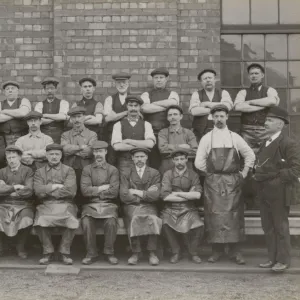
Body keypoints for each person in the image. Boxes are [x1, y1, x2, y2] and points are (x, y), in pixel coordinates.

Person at [195, 104, 255, 264]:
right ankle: (216, 251)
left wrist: (243, 173)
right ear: (212, 118)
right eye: (216, 116)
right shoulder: (207, 138)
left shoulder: (235, 137)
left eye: (222, 116)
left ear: (227, 117)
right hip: (213, 183)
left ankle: (236, 252)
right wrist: (212, 175)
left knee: (234, 216)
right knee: (214, 216)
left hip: (233, 183)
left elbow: (250, 155)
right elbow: (198, 162)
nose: (219, 119)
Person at [253, 106, 300, 273]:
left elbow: (296, 169)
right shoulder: (265, 142)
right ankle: (272, 258)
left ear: (280, 125)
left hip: (279, 192)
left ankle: (283, 260)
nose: (266, 123)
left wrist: (276, 179)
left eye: (270, 120)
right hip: (264, 191)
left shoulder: (288, 143)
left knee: (280, 227)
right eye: (266, 120)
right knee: (268, 226)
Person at [33, 143, 78, 265]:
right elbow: (38, 191)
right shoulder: (39, 172)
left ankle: (64, 253)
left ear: (61, 155)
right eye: (51, 154)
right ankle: (48, 252)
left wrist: (47, 190)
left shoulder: (69, 170)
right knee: (39, 219)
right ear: (46, 155)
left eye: (57, 154)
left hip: (66, 203)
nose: (54, 157)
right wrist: (55, 186)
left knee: (72, 219)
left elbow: (71, 191)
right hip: (46, 204)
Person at [161, 149, 204, 264]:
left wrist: (177, 193)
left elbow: (197, 195)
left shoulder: (193, 174)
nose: (179, 162)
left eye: (182, 159)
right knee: (165, 223)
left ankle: (193, 252)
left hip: (189, 208)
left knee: (199, 225)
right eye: (176, 159)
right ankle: (176, 252)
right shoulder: (168, 174)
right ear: (173, 161)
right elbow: (165, 197)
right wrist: (188, 194)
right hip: (171, 208)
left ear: (186, 159)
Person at [120, 148, 161, 266]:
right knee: (134, 219)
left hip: (149, 205)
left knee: (152, 219)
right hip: (131, 205)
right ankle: (136, 252)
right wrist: (145, 194)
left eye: (142, 156)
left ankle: (152, 252)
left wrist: (137, 192)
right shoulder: (126, 173)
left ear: (147, 157)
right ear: (132, 158)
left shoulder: (154, 173)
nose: (139, 159)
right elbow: (124, 195)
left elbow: (155, 195)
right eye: (137, 157)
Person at [80, 141, 119, 265]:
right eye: (96, 151)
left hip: (109, 204)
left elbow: (113, 192)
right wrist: (103, 188)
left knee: (111, 221)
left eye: (101, 151)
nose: (98, 154)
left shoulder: (113, 170)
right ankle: (91, 253)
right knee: (86, 221)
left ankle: (109, 252)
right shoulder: (87, 169)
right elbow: (85, 191)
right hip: (91, 204)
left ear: (106, 152)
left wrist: (95, 190)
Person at [234, 63, 280, 153]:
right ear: (248, 76)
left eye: (256, 73)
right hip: (246, 130)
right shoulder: (243, 92)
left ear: (262, 75)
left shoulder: (270, 90)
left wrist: (250, 102)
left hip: (265, 130)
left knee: (266, 155)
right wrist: (263, 106)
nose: (254, 76)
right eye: (251, 74)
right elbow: (238, 106)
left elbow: (272, 101)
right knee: (246, 155)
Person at [141, 67, 180, 169]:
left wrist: (153, 104)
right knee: (152, 160)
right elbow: (145, 108)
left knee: (169, 159)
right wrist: (165, 107)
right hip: (151, 133)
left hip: (168, 132)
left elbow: (173, 103)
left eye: (161, 77)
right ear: (153, 80)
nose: (158, 80)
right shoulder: (146, 94)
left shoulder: (172, 94)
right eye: (156, 77)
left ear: (166, 79)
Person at [0, 145, 34, 259]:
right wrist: (15, 188)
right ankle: (1, 247)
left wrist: (7, 188)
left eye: (14, 157)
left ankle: (21, 247)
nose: (11, 160)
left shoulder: (28, 171)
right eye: (9, 157)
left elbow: (29, 190)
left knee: (26, 218)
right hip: (5, 203)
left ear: (20, 157)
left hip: (23, 203)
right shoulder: (2, 172)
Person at [61, 107, 97, 206]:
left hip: (86, 168)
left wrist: (73, 150)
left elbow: (90, 152)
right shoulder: (65, 135)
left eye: (79, 116)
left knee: (85, 193)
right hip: (70, 167)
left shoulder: (92, 134)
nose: (77, 120)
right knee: (71, 192)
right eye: (74, 117)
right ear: (71, 120)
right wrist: (81, 147)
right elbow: (65, 150)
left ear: (84, 118)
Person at [111, 95, 156, 174]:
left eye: (136, 106)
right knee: (124, 185)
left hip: (142, 162)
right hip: (124, 163)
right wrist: (142, 145)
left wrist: (128, 141)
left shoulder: (146, 124)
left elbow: (150, 144)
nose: (133, 108)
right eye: (130, 106)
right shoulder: (118, 124)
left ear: (139, 107)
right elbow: (117, 146)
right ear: (127, 107)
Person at [189, 69, 233, 142]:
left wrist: (206, 104)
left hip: (220, 130)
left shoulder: (223, 93)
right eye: (205, 79)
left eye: (210, 78)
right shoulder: (196, 94)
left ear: (214, 79)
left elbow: (227, 107)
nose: (208, 80)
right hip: (200, 132)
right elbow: (194, 111)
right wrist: (218, 108)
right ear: (201, 82)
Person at [158, 105, 198, 174]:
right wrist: (182, 146)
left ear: (181, 116)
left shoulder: (189, 133)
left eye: (175, 114)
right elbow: (162, 149)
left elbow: (194, 151)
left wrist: (170, 148)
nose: (172, 117)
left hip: (186, 168)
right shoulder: (163, 132)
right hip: (168, 168)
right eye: (170, 115)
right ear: (167, 118)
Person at [0, 81, 31, 167]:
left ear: (17, 91)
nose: (10, 90)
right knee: (6, 159)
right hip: (4, 138)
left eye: (12, 88)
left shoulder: (24, 100)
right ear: (4, 92)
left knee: (22, 158)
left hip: (21, 135)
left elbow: (23, 113)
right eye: (7, 89)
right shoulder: (0, 103)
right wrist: (16, 115)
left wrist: (5, 112)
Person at [103, 73, 131, 166]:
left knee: (128, 161)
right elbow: (108, 118)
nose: (121, 85)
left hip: (129, 135)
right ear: (115, 84)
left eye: (124, 82)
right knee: (112, 160)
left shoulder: (134, 99)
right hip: (112, 135)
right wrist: (126, 112)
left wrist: (116, 116)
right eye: (119, 83)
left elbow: (139, 116)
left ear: (128, 83)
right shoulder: (110, 99)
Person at [34, 77, 69, 143]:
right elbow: (38, 121)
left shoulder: (63, 103)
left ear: (56, 89)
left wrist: (44, 115)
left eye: (52, 88)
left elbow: (62, 117)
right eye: (47, 88)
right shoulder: (39, 104)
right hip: (43, 137)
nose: (49, 91)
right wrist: (56, 117)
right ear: (44, 90)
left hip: (59, 136)